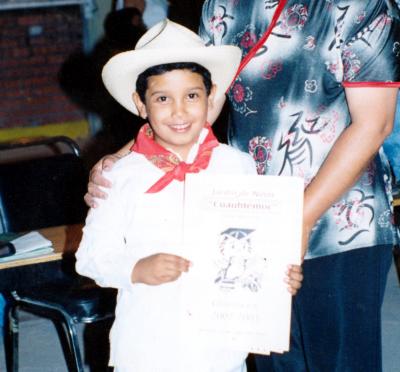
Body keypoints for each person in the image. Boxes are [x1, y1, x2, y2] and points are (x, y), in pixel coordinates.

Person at [85, 1, 400, 371]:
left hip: (339, 224)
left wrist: (298, 219)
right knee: (275, 362)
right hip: (245, 219)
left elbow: (374, 124)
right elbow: (202, 97)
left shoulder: (361, 5)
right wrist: (124, 161)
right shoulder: (223, 5)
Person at [75, 20, 303, 372]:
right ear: (140, 104)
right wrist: (136, 268)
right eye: (162, 98)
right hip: (148, 345)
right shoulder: (120, 177)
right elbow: (90, 257)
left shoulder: (238, 166)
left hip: (220, 350)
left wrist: (279, 275)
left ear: (210, 97)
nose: (179, 111)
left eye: (192, 96)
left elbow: (257, 247)